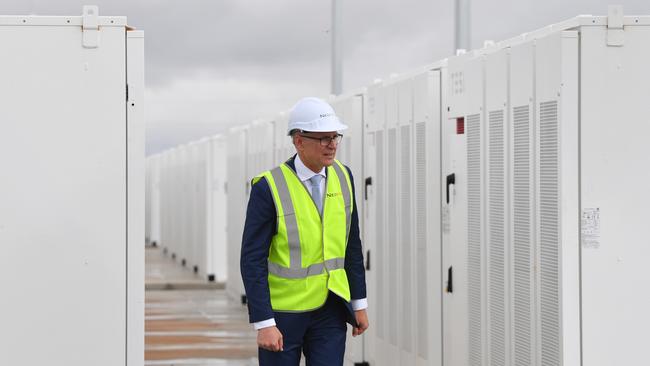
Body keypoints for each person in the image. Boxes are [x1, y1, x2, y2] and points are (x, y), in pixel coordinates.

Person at [240, 97, 369, 365]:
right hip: (284, 313)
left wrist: (359, 303)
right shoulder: (269, 187)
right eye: (323, 138)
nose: (332, 144)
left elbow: (351, 246)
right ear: (299, 141)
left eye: (335, 136)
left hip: (331, 308)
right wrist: (264, 322)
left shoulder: (344, 177)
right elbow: (252, 260)